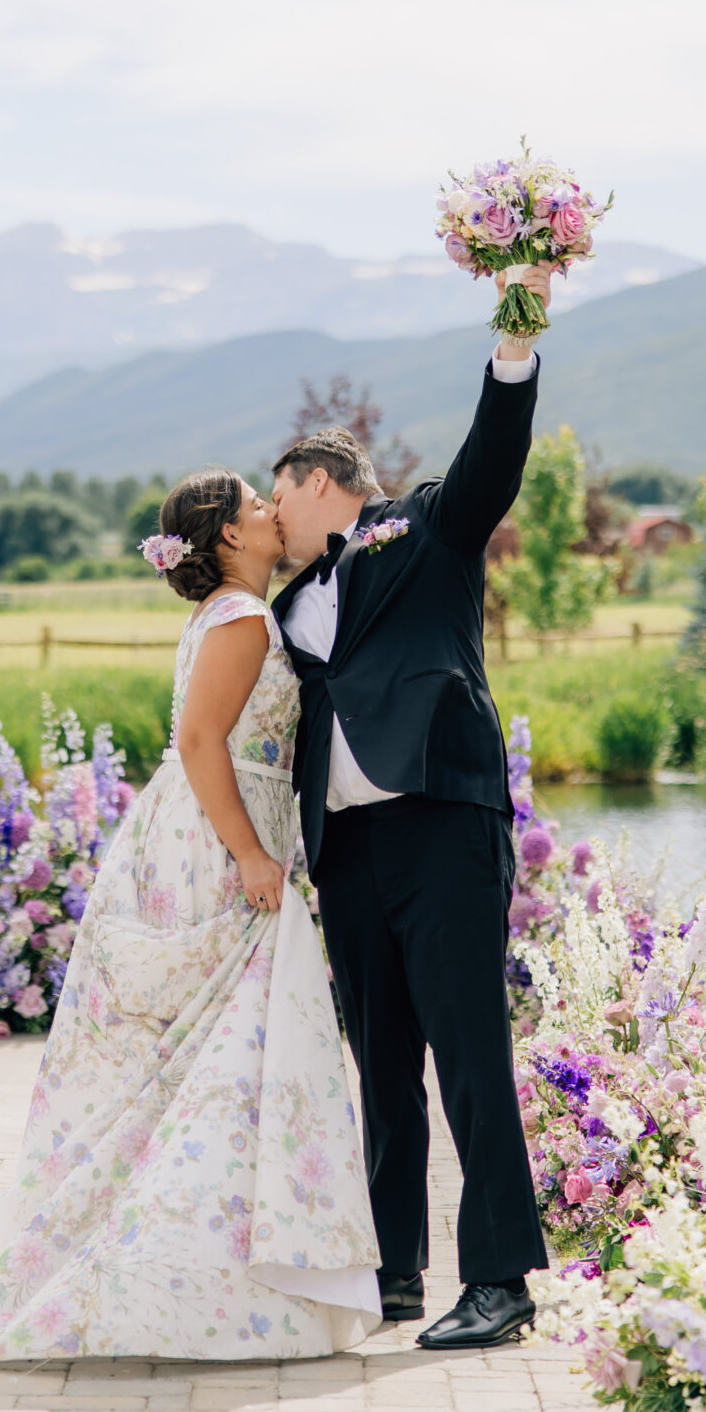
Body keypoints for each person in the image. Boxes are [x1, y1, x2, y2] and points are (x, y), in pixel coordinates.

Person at [0, 470, 381, 1361]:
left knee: (203, 1052)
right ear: (230, 538)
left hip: (204, 826)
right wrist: (251, 852)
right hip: (216, 840)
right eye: (256, 504)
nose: (270, 512)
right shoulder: (243, 619)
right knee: (230, 1042)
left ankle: (209, 1249)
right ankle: (206, 1265)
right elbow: (201, 740)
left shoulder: (230, 611)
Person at [265, 261, 553, 1350]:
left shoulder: (426, 531)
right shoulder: (287, 604)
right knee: (379, 1069)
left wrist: (514, 345)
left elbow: (493, 458)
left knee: (471, 1055)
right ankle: (392, 1270)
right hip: (347, 851)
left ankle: (500, 1282)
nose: (271, 510)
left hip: (442, 825)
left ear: (319, 479)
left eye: (276, 491)